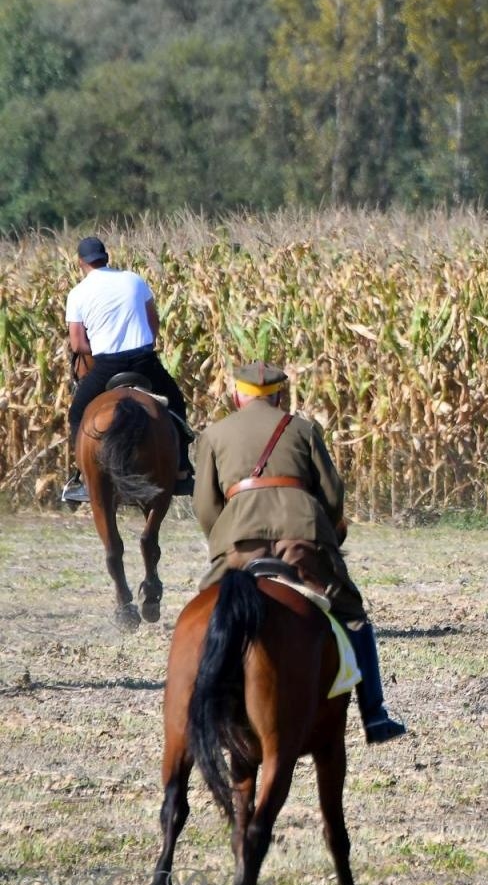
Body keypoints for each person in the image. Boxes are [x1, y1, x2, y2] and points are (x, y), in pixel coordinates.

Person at [193, 361, 406, 744]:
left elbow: (206, 508)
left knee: (204, 614)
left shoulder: (214, 434)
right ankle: (374, 715)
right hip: (301, 537)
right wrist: (323, 531)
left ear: (238, 395)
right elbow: (333, 496)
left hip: (237, 543)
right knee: (352, 615)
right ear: (278, 395)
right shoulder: (303, 429)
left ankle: (200, 708)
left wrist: (223, 538)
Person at [63, 236, 194, 503]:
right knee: (177, 404)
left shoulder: (77, 293)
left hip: (106, 365)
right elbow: (153, 323)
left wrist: (101, 347)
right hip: (144, 361)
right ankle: (181, 469)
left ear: (81, 263)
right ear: (106, 257)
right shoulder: (134, 279)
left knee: (77, 415)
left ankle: (84, 478)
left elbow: (77, 343)